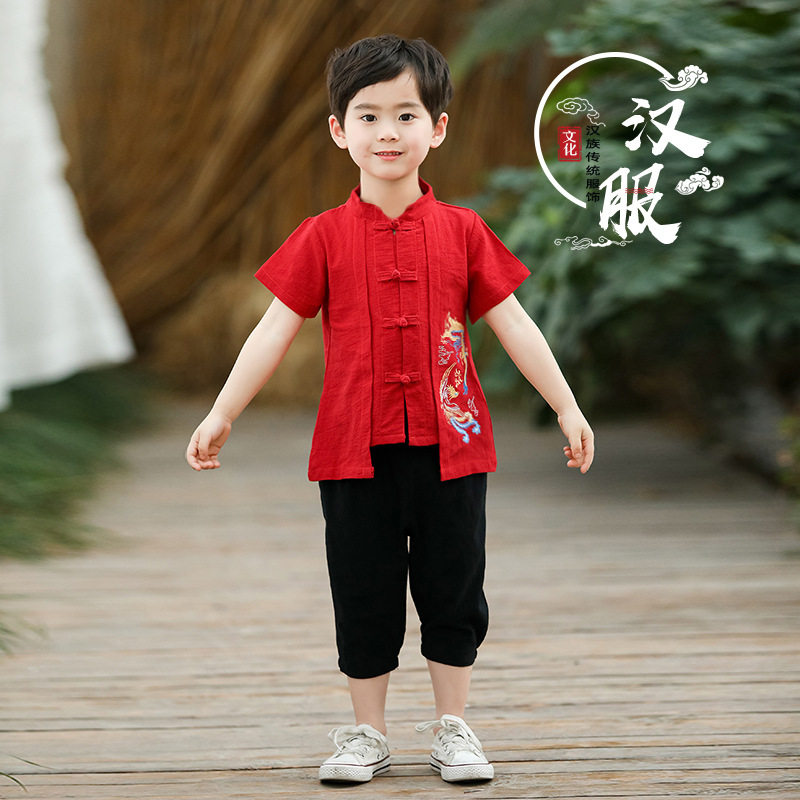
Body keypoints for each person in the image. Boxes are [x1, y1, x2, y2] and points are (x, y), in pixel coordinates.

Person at [186, 33, 594, 785]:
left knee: (454, 585)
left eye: (407, 115)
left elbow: (512, 322)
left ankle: (454, 728)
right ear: (338, 130)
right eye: (367, 116)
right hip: (353, 451)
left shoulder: (464, 231)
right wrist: (222, 413)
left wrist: (566, 406)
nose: (388, 133)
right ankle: (366, 733)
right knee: (363, 589)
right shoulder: (321, 236)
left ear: (438, 128)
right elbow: (273, 329)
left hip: (453, 446)